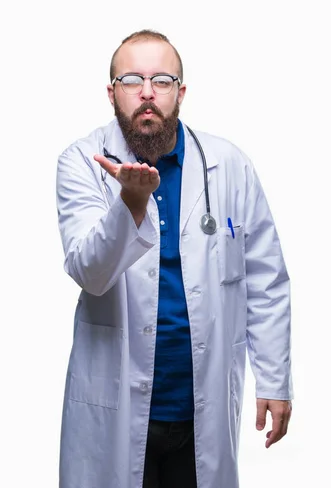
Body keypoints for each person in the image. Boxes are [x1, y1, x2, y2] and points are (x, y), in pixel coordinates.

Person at [55, 29, 293, 488]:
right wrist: (130, 204)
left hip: (199, 409)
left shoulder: (229, 164)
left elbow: (266, 280)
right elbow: (89, 272)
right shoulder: (82, 161)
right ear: (112, 93)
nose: (147, 93)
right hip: (116, 406)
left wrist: (274, 380)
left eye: (162, 80)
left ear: (180, 92)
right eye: (132, 80)